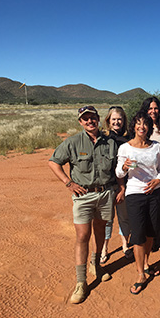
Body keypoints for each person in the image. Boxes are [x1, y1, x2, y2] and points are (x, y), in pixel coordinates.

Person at [48, 106, 125, 304]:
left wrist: (121, 187)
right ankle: (81, 282)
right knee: (83, 235)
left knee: (100, 231)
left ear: (99, 119)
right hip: (83, 196)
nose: (90, 121)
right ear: (80, 122)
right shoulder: (73, 142)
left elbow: (118, 167)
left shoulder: (110, 142)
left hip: (106, 193)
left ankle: (96, 264)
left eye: (93, 118)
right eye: (86, 119)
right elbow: (53, 162)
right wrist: (68, 183)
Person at [116, 111, 160, 295]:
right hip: (135, 194)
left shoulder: (156, 147)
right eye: (138, 123)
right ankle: (140, 274)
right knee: (137, 234)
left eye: (145, 124)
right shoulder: (125, 148)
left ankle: (146, 264)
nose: (141, 127)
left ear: (149, 127)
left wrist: (158, 180)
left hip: (154, 193)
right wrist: (124, 167)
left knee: (152, 230)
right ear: (133, 126)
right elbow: (119, 174)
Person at [99, 106, 133, 264]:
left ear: (124, 121)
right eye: (113, 119)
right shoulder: (103, 138)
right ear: (108, 121)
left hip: (125, 184)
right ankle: (104, 248)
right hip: (107, 185)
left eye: (119, 119)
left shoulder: (129, 139)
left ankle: (125, 245)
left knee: (124, 217)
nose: (117, 122)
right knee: (107, 219)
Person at [140, 97, 160, 250]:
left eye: (155, 108)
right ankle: (149, 236)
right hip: (145, 173)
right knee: (147, 206)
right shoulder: (142, 126)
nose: (153, 111)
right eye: (150, 108)